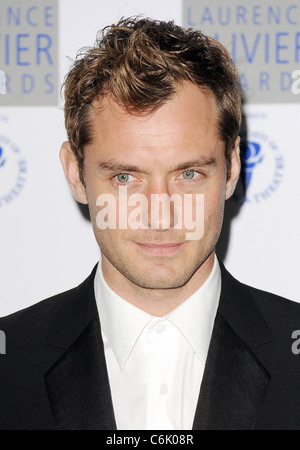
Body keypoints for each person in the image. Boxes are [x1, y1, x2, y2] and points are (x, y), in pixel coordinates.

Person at [1, 17, 300, 431]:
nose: (160, 214)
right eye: (125, 178)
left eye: (189, 174)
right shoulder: (10, 362)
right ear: (76, 174)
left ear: (231, 167)